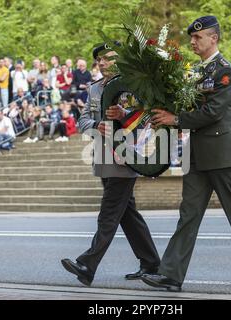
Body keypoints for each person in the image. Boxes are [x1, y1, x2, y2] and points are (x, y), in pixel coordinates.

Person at [143, 16, 231, 291]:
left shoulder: (226, 72)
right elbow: (187, 104)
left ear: (214, 38)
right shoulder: (197, 71)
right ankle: (171, 275)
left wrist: (175, 119)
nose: (193, 42)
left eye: (198, 37)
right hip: (197, 154)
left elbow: (212, 112)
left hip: (221, 153)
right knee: (188, 213)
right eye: (192, 38)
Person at [61, 42, 160, 287]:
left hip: (124, 156)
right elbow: (84, 118)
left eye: (107, 59)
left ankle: (88, 264)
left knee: (109, 213)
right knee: (128, 215)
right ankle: (151, 262)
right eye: (99, 60)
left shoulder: (132, 84)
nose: (102, 63)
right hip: (104, 157)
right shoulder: (95, 89)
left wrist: (123, 118)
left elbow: (145, 117)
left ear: (119, 60)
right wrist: (97, 125)